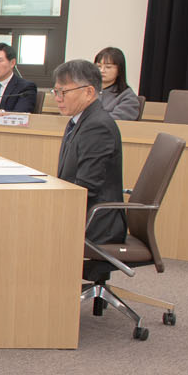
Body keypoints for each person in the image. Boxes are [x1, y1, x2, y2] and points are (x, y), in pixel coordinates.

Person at [51, 58, 126, 246]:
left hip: (95, 222)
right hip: (80, 211)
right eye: (56, 92)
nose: (58, 98)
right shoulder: (79, 120)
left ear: (89, 92)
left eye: (63, 92)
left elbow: (87, 186)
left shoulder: (97, 126)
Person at [94, 46, 142, 121]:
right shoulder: (86, 90)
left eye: (108, 67)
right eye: (98, 66)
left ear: (119, 70)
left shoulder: (127, 96)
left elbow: (116, 120)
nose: (102, 70)